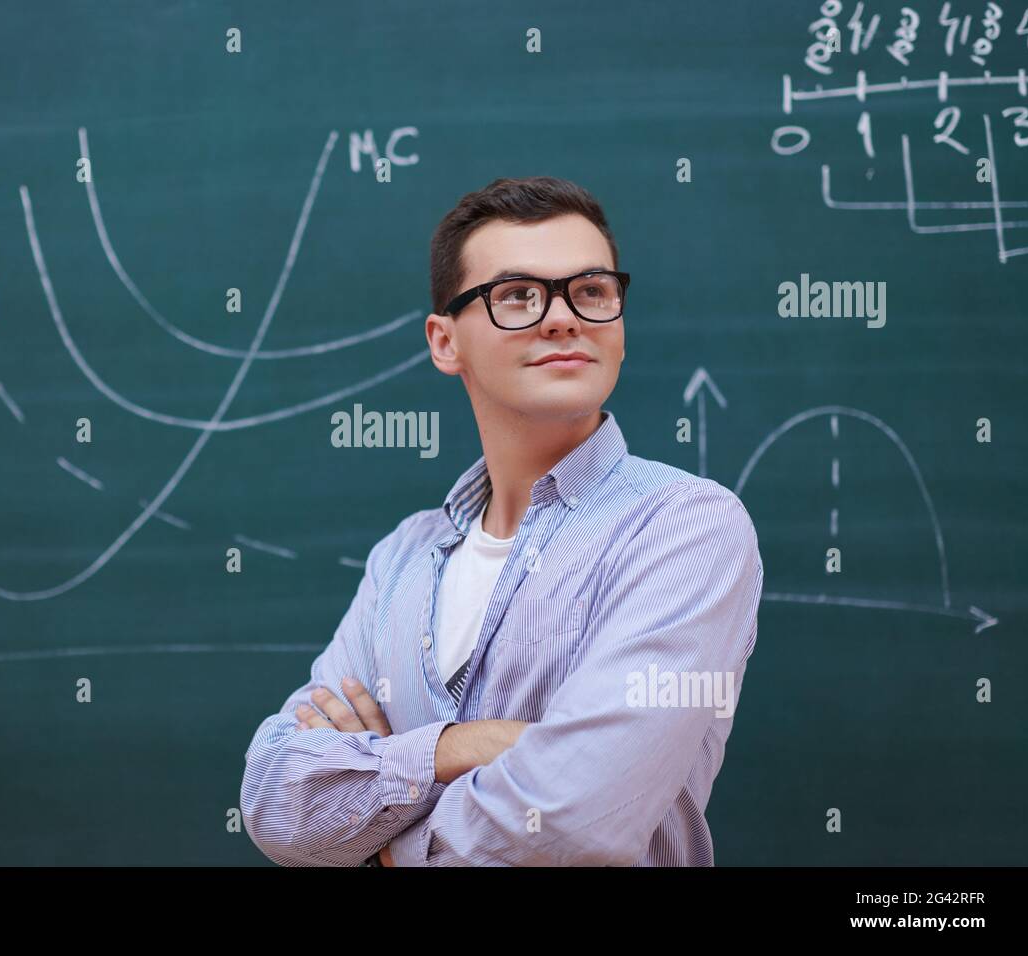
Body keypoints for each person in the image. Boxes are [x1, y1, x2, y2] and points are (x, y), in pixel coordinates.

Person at [239, 176, 763, 866]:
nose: (562, 317)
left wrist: (384, 844)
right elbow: (278, 801)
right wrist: (465, 745)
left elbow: (576, 820)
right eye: (517, 295)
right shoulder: (402, 556)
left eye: (592, 292)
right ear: (444, 341)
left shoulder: (685, 529)